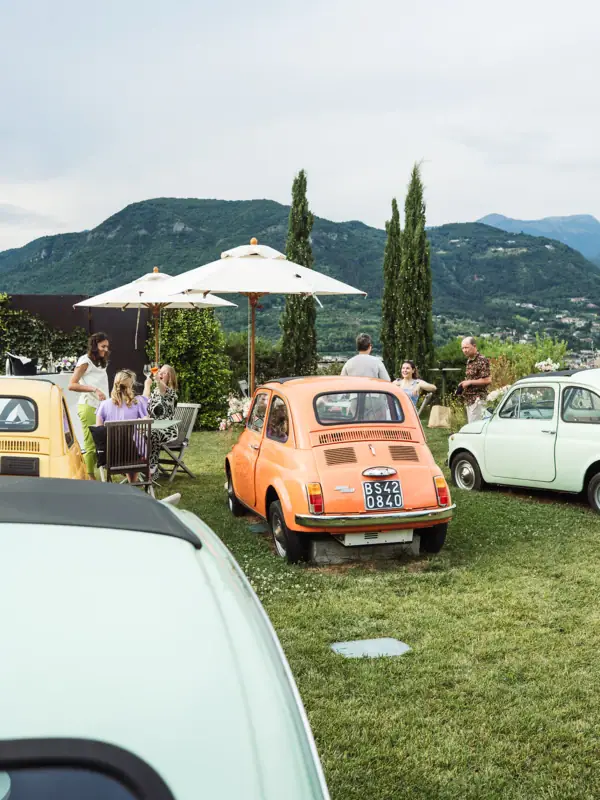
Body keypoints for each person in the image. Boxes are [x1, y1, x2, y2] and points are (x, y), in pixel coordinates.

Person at [69, 332, 110, 479]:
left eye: (107, 346)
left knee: (103, 440)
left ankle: (97, 471)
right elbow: (72, 384)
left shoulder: (100, 361)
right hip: (88, 406)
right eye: (102, 346)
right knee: (91, 442)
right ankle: (89, 475)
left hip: (102, 407)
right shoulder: (84, 361)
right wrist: (94, 389)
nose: (105, 349)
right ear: (95, 345)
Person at [95, 370, 149, 483]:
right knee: (135, 443)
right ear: (131, 386)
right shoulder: (137, 403)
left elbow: (100, 432)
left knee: (125, 445)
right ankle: (134, 483)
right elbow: (146, 419)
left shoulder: (104, 405)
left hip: (112, 456)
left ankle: (130, 482)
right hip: (135, 456)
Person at [143, 364, 178, 475]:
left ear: (170, 376)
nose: (160, 374)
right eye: (160, 372)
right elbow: (144, 400)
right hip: (152, 425)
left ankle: (152, 467)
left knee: (152, 433)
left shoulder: (171, 392)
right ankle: (137, 465)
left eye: (164, 372)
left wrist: (157, 380)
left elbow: (164, 390)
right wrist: (147, 386)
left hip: (167, 429)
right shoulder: (155, 392)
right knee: (137, 433)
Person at [458, 336, 492, 423]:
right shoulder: (469, 360)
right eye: (463, 348)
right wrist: (464, 383)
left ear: (474, 346)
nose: (465, 350)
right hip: (469, 399)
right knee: (471, 426)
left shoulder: (481, 360)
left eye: (467, 347)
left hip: (478, 399)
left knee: (475, 428)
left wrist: (469, 382)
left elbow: (487, 380)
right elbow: (473, 378)